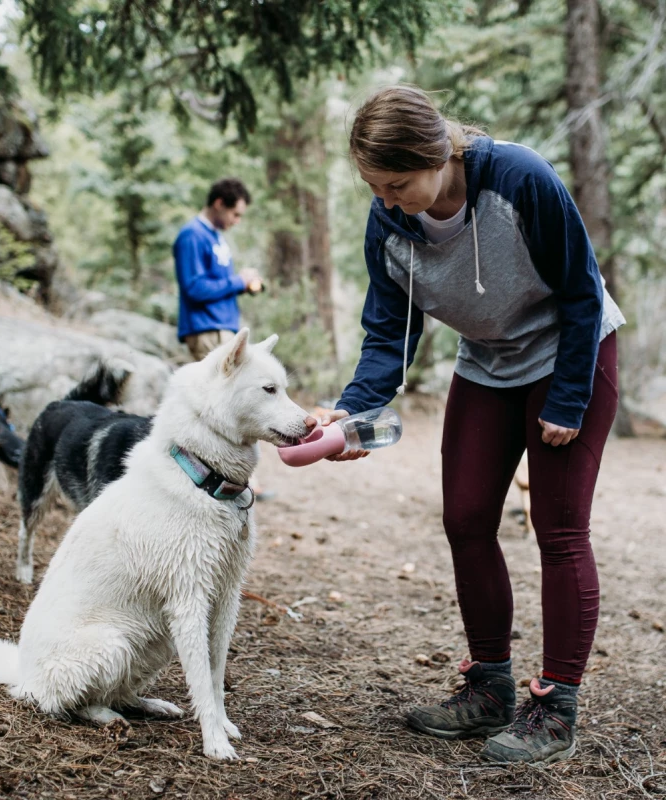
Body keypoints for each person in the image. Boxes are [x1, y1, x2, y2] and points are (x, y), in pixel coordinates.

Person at [322, 85, 625, 764]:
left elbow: (582, 289)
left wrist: (569, 399)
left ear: (437, 154)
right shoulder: (390, 222)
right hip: (489, 360)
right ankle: (489, 688)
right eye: (377, 188)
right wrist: (353, 410)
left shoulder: (521, 180)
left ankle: (556, 707)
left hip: (571, 351)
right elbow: (387, 334)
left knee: (560, 527)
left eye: (399, 183)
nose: (390, 199)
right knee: (464, 516)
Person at [173, 177, 274, 500]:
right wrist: (236, 281)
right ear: (219, 204)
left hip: (225, 329)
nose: (237, 221)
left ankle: (240, 477)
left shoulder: (216, 238)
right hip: (206, 330)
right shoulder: (191, 235)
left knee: (234, 400)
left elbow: (218, 284)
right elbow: (194, 288)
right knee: (223, 403)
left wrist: (245, 284)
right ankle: (222, 477)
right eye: (236, 214)